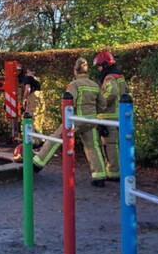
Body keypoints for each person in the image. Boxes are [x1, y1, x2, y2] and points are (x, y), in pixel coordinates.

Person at [27, 57, 109, 185]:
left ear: (75, 70)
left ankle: (37, 164)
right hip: (91, 121)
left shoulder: (74, 84)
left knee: (55, 138)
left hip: (76, 120)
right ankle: (100, 176)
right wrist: (92, 113)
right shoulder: (94, 85)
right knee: (93, 147)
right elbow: (103, 105)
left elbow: (70, 101)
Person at [93, 49, 127, 185]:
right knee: (121, 145)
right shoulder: (120, 77)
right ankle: (122, 170)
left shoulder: (109, 77)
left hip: (108, 117)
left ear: (105, 65)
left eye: (99, 66)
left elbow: (111, 93)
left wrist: (100, 103)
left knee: (110, 145)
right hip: (121, 116)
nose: (99, 69)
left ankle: (113, 172)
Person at [18, 67, 44, 135]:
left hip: (33, 99)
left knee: (29, 117)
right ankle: (39, 137)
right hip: (39, 99)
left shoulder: (28, 78)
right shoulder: (37, 79)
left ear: (28, 71)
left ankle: (30, 137)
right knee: (37, 119)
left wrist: (24, 99)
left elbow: (28, 89)